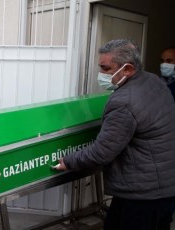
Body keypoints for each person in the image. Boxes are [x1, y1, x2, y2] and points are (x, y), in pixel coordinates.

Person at [54, 39, 175, 230]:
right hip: (164, 187)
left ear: (127, 69)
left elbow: (102, 152)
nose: (101, 74)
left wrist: (68, 161)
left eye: (105, 68)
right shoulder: (154, 81)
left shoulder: (124, 102)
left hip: (142, 195)